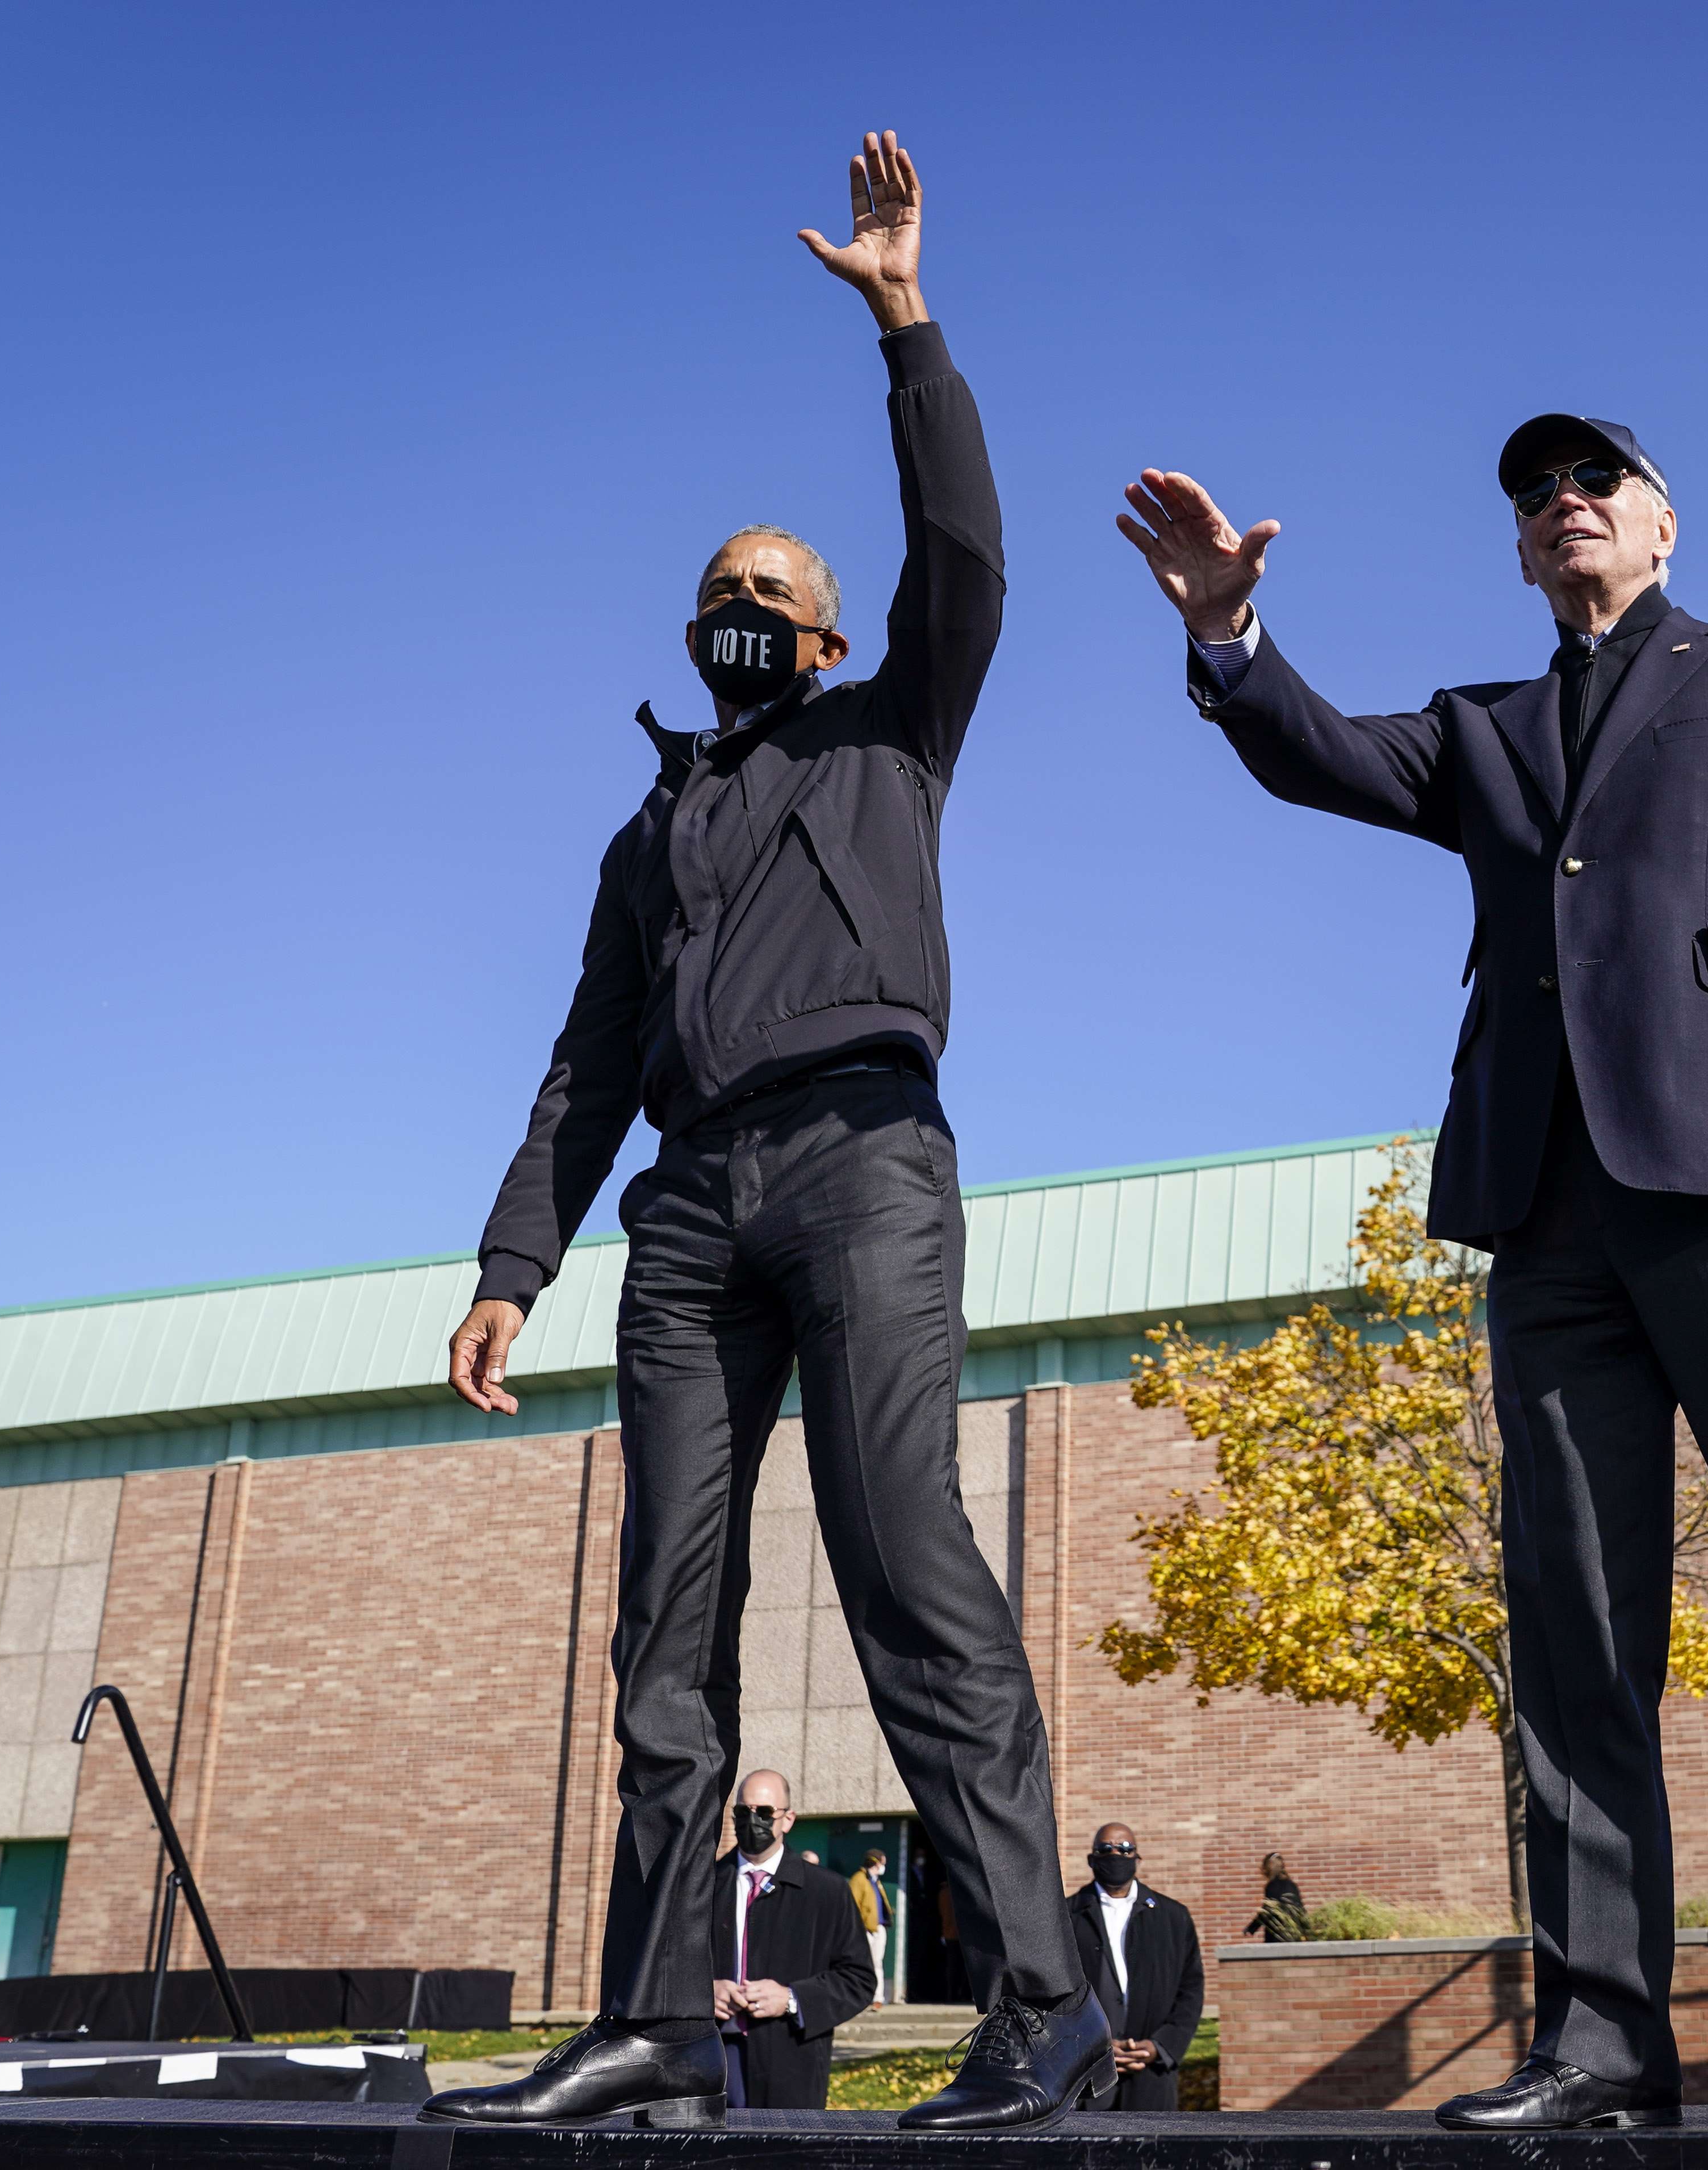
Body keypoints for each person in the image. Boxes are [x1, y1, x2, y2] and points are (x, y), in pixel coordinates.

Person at [1113, 424, 1708, 2136]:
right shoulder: (1482, 726)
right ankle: (1597, 2041)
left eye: (1591, 480)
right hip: (1544, 1213)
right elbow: (1320, 756)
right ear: (1516, 552)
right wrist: (1225, 638)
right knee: (1572, 1640)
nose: (1557, 501)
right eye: (1528, 493)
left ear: (1657, 521)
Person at [421, 131, 1103, 2133]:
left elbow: (964, 552)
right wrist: (509, 1262)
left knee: (909, 1563)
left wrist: (908, 325)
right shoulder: (650, 831)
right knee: (665, 1623)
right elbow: (589, 1054)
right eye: (717, 587)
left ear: (824, 637)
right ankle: (645, 2019)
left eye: (775, 590)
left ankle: (1041, 2010)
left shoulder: (893, 728)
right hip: (689, 1213)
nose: (742, 602)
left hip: (867, 1167)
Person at [711, 1770, 877, 2111]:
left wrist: (791, 1998)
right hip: (711, 2058)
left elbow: (859, 1980)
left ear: (787, 1820)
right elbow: (666, 1965)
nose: (752, 1821)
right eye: (743, 1812)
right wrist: (701, 1991)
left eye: (764, 1813)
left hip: (791, 2058)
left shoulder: (827, 1892)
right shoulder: (702, 1886)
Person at [1066, 1826, 1204, 2110]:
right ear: (1092, 1859)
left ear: (1137, 1857)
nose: (1116, 1854)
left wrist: (1161, 2046)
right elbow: (1052, 1995)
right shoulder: (1066, 1918)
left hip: (1152, 2076)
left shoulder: (1173, 1918)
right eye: (1106, 1849)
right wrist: (1091, 2047)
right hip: (1085, 2079)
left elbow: (1191, 1990)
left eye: (1125, 1848)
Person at [849, 1849, 894, 2005]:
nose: (884, 1866)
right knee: (862, 1964)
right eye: (883, 1863)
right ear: (875, 1862)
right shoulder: (859, 1880)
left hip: (878, 1928)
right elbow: (853, 1906)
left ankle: (877, 1998)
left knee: (877, 1963)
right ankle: (861, 1997)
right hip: (865, 1929)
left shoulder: (876, 1881)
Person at [1250, 1853, 1309, 1942]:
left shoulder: (1272, 1886)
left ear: (1268, 1868)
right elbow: (1301, 1909)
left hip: (1277, 1935)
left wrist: (1252, 1928)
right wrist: (1307, 1931)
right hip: (1294, 1934)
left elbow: (1268, 1910)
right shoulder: (1292, 1885)